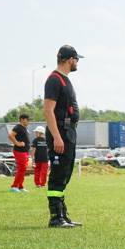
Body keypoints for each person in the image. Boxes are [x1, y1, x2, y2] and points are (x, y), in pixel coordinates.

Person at [43, 45, 84, 228]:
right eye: (76, 59)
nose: (77, 63)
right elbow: (48, 111)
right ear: (70, 59)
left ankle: (62, 214)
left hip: (68, 133)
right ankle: (55, 217)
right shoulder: (54, 80)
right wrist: (57, 137)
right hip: (60, 133)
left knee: (65, 173)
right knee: (58, 174)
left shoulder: (65, 80)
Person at [8, 113, 31, 193]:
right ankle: (14, 186)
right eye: (27, 120)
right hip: (19, 151)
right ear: (22, 119)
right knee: (21, 168)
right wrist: (17, 143)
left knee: (23, 169)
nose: (29, 122)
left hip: (24, 152)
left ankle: (20, 186)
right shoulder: (18, 127)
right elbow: (11, 135)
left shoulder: (24, 128)